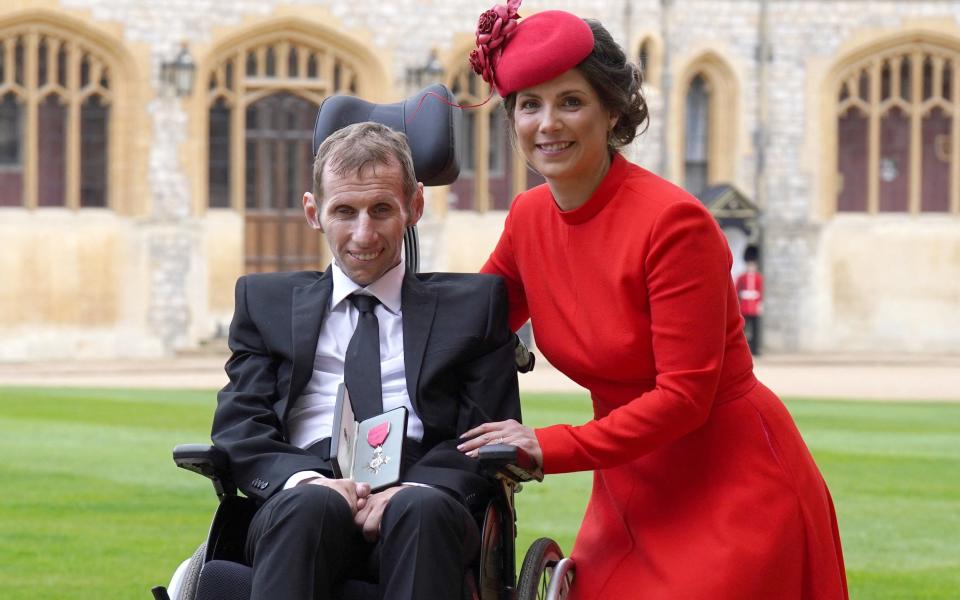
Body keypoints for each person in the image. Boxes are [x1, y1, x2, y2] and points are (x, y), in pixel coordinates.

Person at [456, 4, 848, 599]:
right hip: (628, 493)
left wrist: (547, 445)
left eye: (570, 101)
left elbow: (684, 398)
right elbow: (470, 327)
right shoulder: (528, 216)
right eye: (530, 104)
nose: (547, 123)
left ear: (612, 109)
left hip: (731, 486)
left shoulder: (674, 223)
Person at [211, 122, 520, 600]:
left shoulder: (474, 307)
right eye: (344, 211)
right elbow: (239, 426)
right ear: (313, 212)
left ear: (414, 207)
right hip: (301, 487)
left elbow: (488, 434)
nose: (363, 233)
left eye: (381, 210)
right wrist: (305, 479)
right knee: (309, 507)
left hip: (424, 491)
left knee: (420, 511)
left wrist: (413, 488)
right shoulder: (264, 301)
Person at [736, 245, 764, 355]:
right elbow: (737, 291)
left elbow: (760, 292)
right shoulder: (741, 277)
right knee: (743, 330)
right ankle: (744, 350)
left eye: (752, 265)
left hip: (754, 305)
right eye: (749, 265)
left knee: (755, 330)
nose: (751, 267)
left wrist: (760, 305)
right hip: (745, 306)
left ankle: (755, 349)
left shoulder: (758, 278)